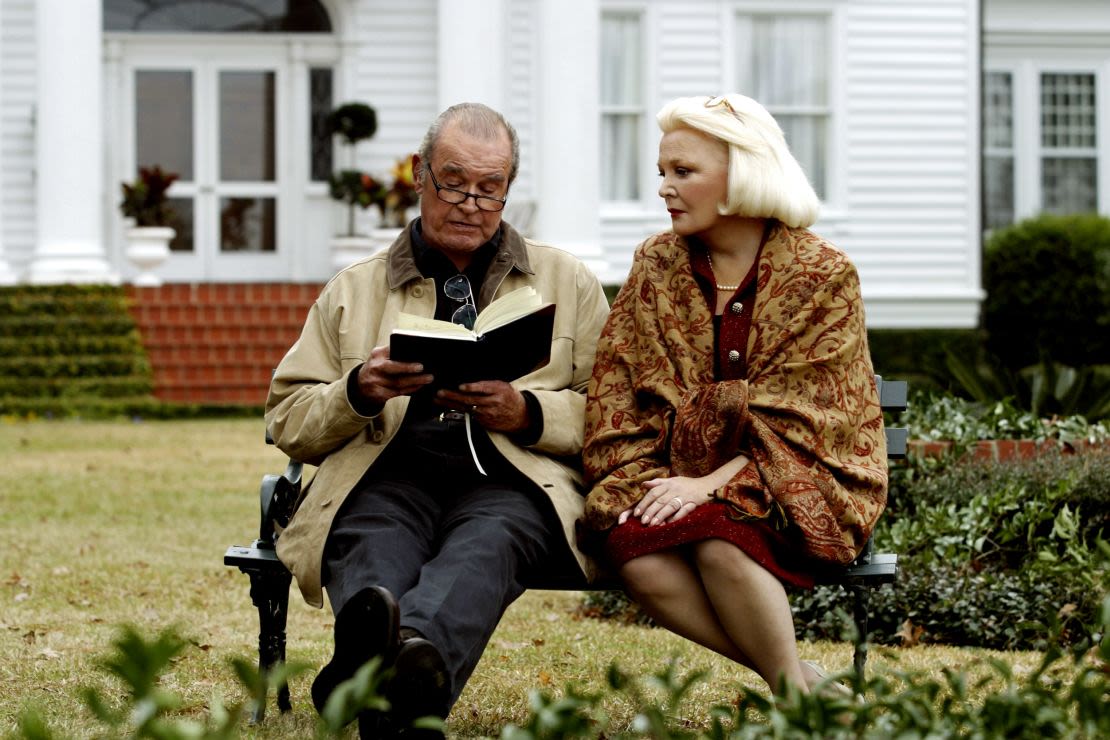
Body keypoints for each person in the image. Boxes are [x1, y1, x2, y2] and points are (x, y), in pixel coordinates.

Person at [266, 102, 610, 737]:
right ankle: (406, 679)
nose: (470, 203)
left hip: (513, 481)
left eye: (490, 189)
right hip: (386, 474)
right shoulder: (354, 289)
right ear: (421, 176)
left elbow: (614, 415)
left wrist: (528, 410)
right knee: (371, 543)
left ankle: (379, 670)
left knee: (489, 544)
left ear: (508, 190)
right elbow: (286, 418)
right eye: (454, 182)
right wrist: (358, 392)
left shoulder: (570, 282)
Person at [580, 93, 888, 698]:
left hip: (801, 478)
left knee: (721, 541)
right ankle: (800, 685)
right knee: (636, 552)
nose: (665, 188)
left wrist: (706, 484)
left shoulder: (823, 273)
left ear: (742, 174)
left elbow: (816, 420)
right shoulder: (655, 263)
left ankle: (794, 696)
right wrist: (664, 477)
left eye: (683, 172)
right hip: (671, 473)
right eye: (662, 173)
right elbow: (620, 386)